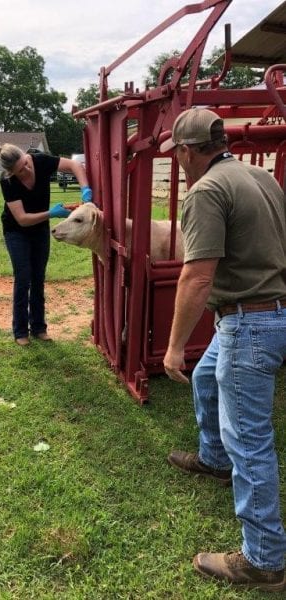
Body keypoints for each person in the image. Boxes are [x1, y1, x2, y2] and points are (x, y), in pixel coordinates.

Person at [160, 108, 286, 593]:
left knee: (250, 442)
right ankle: (213, 459)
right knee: (207, 377)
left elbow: (197, 275)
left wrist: (173, 348)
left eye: (179, 155)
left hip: (248, 322)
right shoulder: (260, 177)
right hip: (271, 311)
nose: (179, 164)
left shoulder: (207, 191)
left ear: (190, 150)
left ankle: (264, 560)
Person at [0, 142, 92, 346]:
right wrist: (52, 213)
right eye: (21, 170)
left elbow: (75, 166)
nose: (27, 168)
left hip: (39, 230)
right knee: (23, 277)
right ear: (11, 173)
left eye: (26, 163)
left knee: (38, 277)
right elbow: (21, 219)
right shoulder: (7, 182)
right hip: (16, 231)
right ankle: (20, 331)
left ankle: (39, 327)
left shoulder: (41, 161)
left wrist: (85, 189)